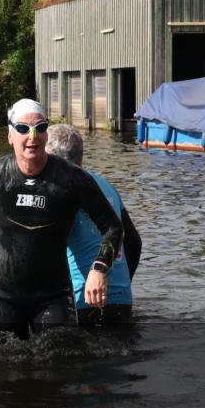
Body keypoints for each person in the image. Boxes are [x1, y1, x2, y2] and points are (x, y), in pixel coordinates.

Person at [0, 99, 123, 342]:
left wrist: (99, 270)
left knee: (58, 363)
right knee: (4, 367)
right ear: (10, 135)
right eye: (23, 129)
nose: (32, 136)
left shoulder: (72, 178)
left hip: (52, 292)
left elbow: (112, 226)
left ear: (46, 135)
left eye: (40, 128)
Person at [45, 124, 142, 326]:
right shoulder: (106, 185)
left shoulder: (57, 190)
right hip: (121, 301)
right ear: (81, 156)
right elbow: (134, 242)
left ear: (51, 159)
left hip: (82, 301)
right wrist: (118, 286)